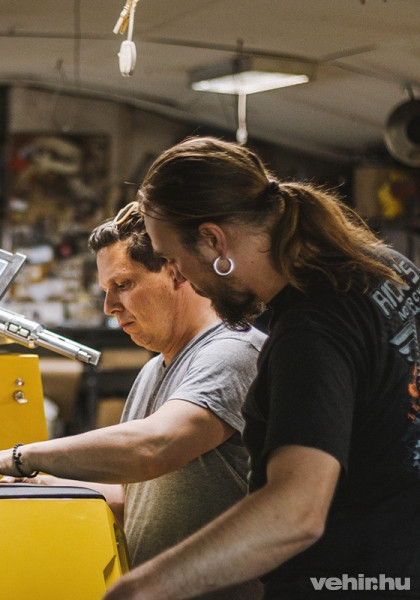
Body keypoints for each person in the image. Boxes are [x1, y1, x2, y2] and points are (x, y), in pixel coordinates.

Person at [104, 136, 420, 600]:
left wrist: (141, 588)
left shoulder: (311, 331)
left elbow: (295, 513)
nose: (180, 276)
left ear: (213, 240)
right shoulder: (387, 269)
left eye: (173, 258)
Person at [0, 203, 265, 599]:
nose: (109, 307)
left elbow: (156, 446)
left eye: (123, 285)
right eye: (106, 290)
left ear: (176, 271)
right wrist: (43, 482)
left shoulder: (232, 352)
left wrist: (22, 456)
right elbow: (135, 499)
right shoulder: (154, 370)